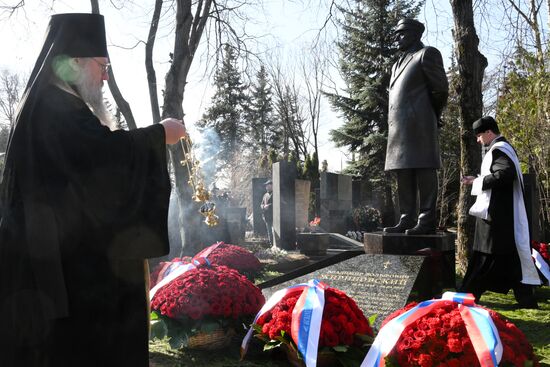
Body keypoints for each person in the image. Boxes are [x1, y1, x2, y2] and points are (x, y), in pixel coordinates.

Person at [0, 13, 187, 366]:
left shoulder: (52, 103)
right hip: (62, 274)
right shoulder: (56, 108)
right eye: (102, 65)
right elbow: (104, 158)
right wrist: (160, 134)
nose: (105, 75)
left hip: (55, 261)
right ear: (74, 64)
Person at [460, 116, 540, 308]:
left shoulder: (499, 150)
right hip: (502, 215)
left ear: (489, 132)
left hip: (496, 217)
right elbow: (499, 175)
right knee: (510, 258)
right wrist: (478, 179)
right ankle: (526, 299)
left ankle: (466, 296)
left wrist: (477, 182)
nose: (479, 140)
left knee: (484, 257)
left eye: (479, 136)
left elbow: (505, 174)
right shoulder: (502, 148)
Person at [383, 18, 449, 235]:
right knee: (403, 173)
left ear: (414, 34)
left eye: (401, 33)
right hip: (399, 130)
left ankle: (426, 220)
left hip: (420, 125)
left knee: (424, 171)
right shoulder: (396, 64)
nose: (397, 37)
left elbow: (440, 90)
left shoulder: (427, 54)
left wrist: (431, 115)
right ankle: (406, 218)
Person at [260, 179, 274, 246]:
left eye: (267, 185)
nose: (266, 187)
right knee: (269, 232)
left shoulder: (275, 193)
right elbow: (261, 204)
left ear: (272, 185)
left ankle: (276, 245)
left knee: (274, 231)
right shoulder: (265, 195)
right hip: (266, 216)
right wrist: (263, 207)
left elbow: (278, 203)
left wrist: (269, 206)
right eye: (266, 186)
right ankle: (271, 245)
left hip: (274, 216)